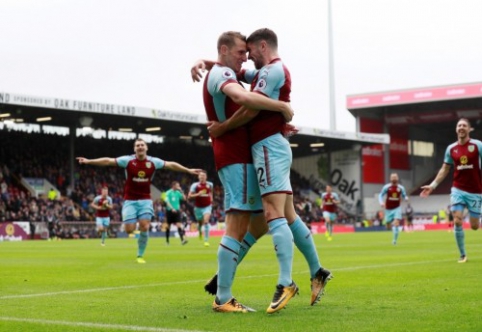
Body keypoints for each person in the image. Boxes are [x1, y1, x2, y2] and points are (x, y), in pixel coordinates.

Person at [193, 29, 332, 311]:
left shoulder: (271, 71)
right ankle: (315, 271)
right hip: (256, 150)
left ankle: (283, 282)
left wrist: (225, 126)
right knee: (270, 219)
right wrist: (206, 62)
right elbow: (238, 85)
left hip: (266, 148)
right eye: (240, 52)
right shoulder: (254, 73)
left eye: (249, 51)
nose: (245, 58)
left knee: (271, 215)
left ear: (262, 46)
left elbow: (248, 108)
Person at [77, 138, 201, 263]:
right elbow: (108, 161)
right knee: (129, 229)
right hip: (130, 200)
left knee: (145, 226)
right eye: (137, 145)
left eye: (142, 145)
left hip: (145, 199)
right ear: (134, 149)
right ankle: (137, 231)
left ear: (146, 148)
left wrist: (188, 170)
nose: (140, 147)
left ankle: (140, 255)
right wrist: (89, 161)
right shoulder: (128, 160)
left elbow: (171, 165)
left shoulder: (153, 162)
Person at [420, 118, 482, 263]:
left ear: (469, 129)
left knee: (474, 226)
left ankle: (473, 221)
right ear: (456, 129)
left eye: (464, 126)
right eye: (459, 125)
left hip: (475, 191)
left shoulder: (477, 145)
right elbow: (445, 168)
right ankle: (462, 255)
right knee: (457, 220)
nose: (461, 127)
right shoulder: (451, 149)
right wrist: (433, 185)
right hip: (457, 189)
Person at [378, 173, 408, 245]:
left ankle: (394, 241)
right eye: (392, 177)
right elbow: (380, 195)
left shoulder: (401, 188)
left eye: (395, 177)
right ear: (390, 179)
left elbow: (404, 195)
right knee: (388, 226)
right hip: (388, 209)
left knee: (396, 223)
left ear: (397, 178)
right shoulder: (387, 187)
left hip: (397, 208)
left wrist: (406, 198)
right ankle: (390, 223)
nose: (394, 178)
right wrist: (381, 202)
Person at [188, 170, 213, 247]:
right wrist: (198, 194)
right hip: (198, 207)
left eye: (204, 176)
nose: (202, 177)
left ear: (206, 177)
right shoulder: (195, 185)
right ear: (198, 177)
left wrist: (211, 199)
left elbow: (211, 192)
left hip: (207, 206)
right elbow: (189, 196)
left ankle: (206, 241)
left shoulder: (210, 184)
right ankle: (199, 231)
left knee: (206, 221)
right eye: (201, 175)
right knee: (200, 223)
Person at [164, 181, 188, 246]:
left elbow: (184, 199)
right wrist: (172, 208)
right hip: (169, 211)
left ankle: (182, 240)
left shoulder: (178, 192)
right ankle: (167, 241)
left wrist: (181, 191)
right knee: (168, 227)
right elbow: (167, 202)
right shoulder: (168, 192)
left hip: (177, 211)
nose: (179, 187)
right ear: (173, 186)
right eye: (177, 186)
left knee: (179, 225)